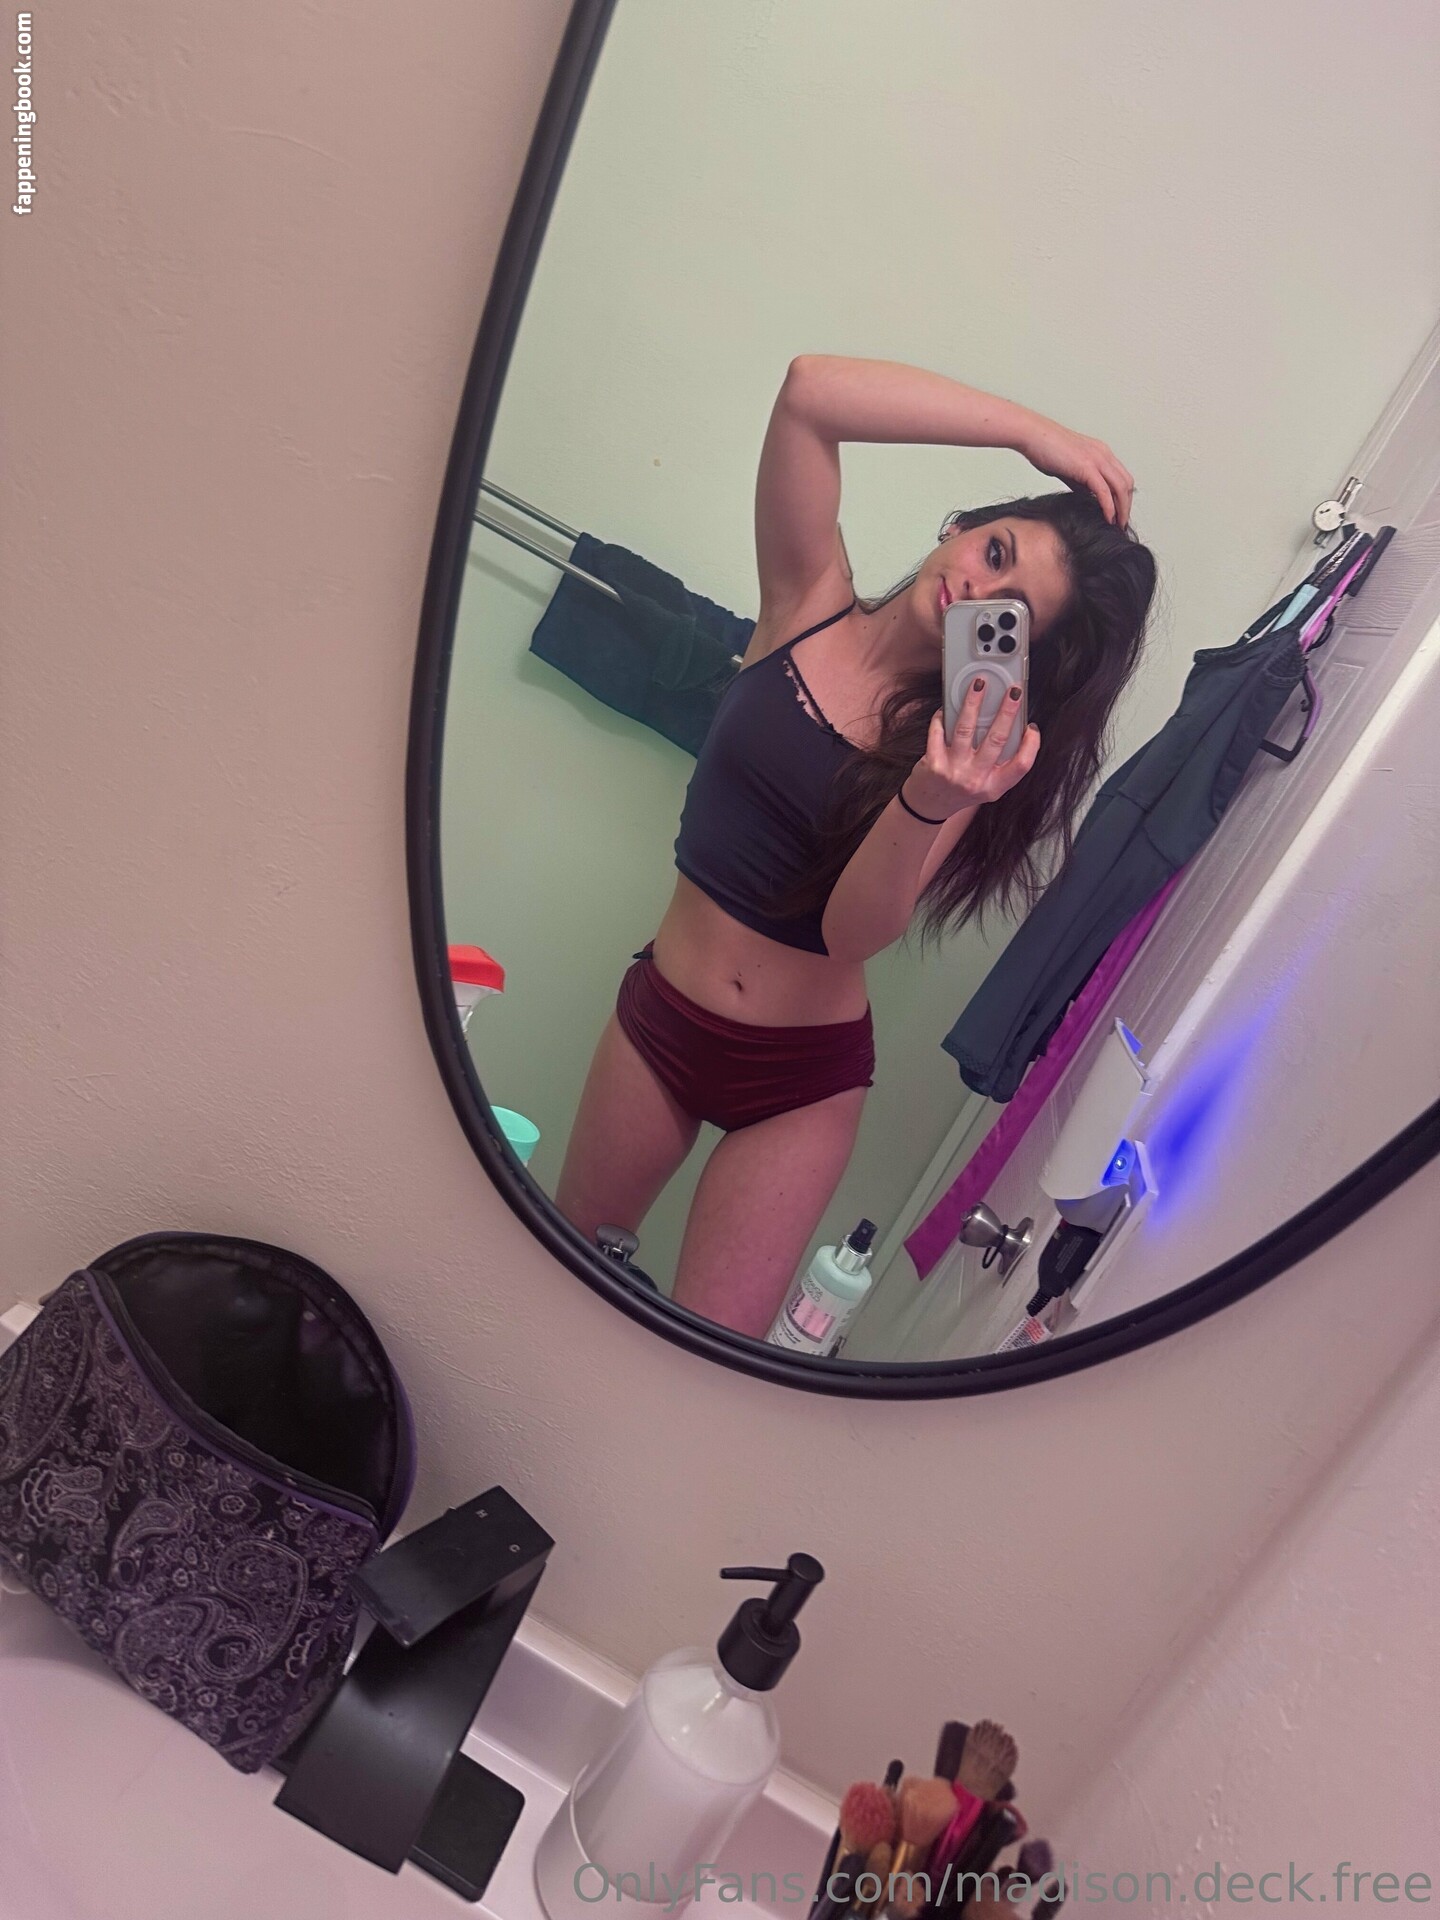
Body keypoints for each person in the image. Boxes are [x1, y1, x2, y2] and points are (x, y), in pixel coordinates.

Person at [556, 354, 1158, 1338]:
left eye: (1006, 609)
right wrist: (1033, 433)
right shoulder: (807, 600)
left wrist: (928, 798)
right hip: (662, 1010)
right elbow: (808, 393)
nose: (976, 584)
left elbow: (848, 938)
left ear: (1014, 650)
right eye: (994, 548)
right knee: (557, 1271)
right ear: (961, 525)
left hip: (797, 1083)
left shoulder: (965, 750)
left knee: (701, 1360)